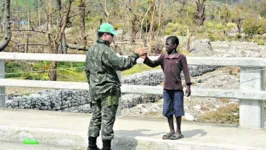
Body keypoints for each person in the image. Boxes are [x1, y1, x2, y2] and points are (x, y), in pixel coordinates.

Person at [85, 23, 147, 150]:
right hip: (108, 90)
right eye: (112, 35)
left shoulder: (91, 50)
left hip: (94, 90)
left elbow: (87, 70)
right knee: (107, 119)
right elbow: (121, 64)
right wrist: (135, 55)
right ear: (106, 35)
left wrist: (92, 85)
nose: (113, 38)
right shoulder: (106, 51)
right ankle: (106, 147)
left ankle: (91, 146)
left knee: (95, 118)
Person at [142, 36, 191, 140]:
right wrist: (145, 59)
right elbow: (153, 64)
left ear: (174, 45)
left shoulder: (181, 57)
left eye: (168, 44)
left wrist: (188, 85)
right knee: (168, 110)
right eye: (166, 44)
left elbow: (186, 71)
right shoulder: (163, 57)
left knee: (178, 110)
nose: (166, 46)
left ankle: (178, 131)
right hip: (167, 89)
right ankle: (171, 130)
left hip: (177, 89)